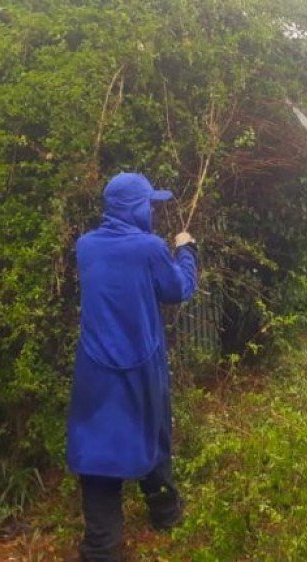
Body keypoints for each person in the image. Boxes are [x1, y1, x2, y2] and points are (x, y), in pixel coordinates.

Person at [66, 172, 198, 561]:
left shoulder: (85, 246)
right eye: (148, 205)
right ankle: (166, 514)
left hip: (95, 368)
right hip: (142, 364)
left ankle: (101, 548)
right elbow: (178, 290)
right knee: (152, 436)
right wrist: (186, 251)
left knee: (97, 447)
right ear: (136, 207)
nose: (152, 211)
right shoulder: (150, 247)